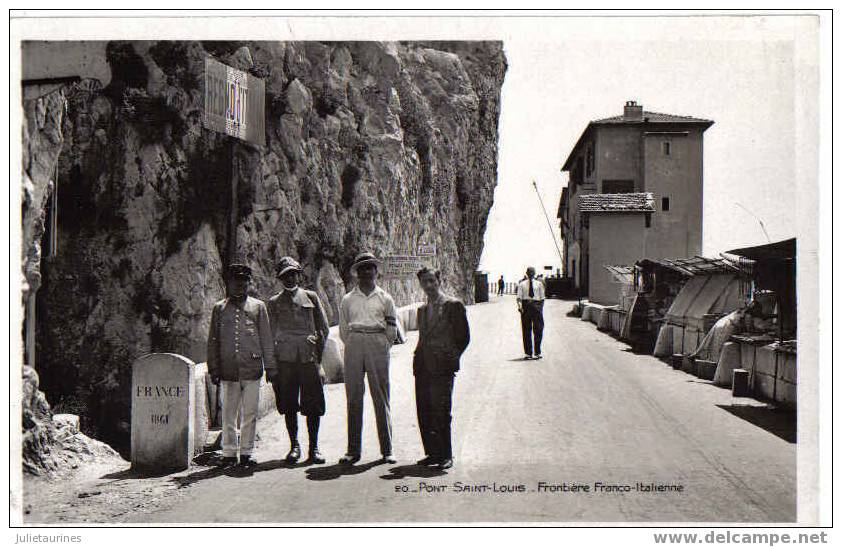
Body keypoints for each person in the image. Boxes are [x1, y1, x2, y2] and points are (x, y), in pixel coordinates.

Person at [207, 261, 276, 467]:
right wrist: (214, 368)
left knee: (250, 413)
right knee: (228, 414)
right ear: (229, 283)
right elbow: (213, 340)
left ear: (249, 283)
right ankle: (228, 453)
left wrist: (270, 366)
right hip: (228, 370)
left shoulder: (258, 307)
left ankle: (246, 452)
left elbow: (266, 338)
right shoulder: (219, 309)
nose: (240, 285)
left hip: (252, 368)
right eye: (236, 281)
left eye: (244, 281)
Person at [266, 257, 330, 465]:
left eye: (293, 274)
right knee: (289, 404)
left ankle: (314, 447)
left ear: (299, 275)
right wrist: (272, 366)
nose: (290, 278)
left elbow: (324, 329)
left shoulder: (310, 297)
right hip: (285, 360)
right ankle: (294, 446)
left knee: (313, 404)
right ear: (280, 278)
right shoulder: (274, 303)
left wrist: (318, 360)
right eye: (285, 275)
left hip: (308, 358)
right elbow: (269, 334)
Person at [338, 252, 399, 465]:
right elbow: (344, 328)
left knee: (381, 397)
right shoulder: (347, 299)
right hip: (355, 343)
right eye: (362, 268)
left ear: (376, 270)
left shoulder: (385, 298)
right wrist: (354, 343)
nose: (366, 272)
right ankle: (353, 450)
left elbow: (392, 328)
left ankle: (387, 449)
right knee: (354, 397)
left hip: (377, 343)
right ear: (357, 273)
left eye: (370, 267)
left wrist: (383, 344)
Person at [413, 267, 470, 470]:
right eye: (424, 282)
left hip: (442, 367)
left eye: (431, 281)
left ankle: (446, 455)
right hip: (422, 366)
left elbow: (463, 337)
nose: (428, 285)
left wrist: (450, 358)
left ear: (439, 280)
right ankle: (432, 453)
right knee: (425, 410)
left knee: (442, 411)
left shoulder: (453, 305)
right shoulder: (422, 310)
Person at [516, 266, 546, 360]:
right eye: (529, 272)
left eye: (532, 272)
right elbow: (519, 298)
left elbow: (542, 298)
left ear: (535, 273)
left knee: (538, 329)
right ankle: (528, 353)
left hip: (537, 306)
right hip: (526, 307)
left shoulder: (539, 284)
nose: (531, 274)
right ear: (527, 273)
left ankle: (537, 352)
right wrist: (520, 307)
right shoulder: (522, 284)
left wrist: (540, 308)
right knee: (526, 330)